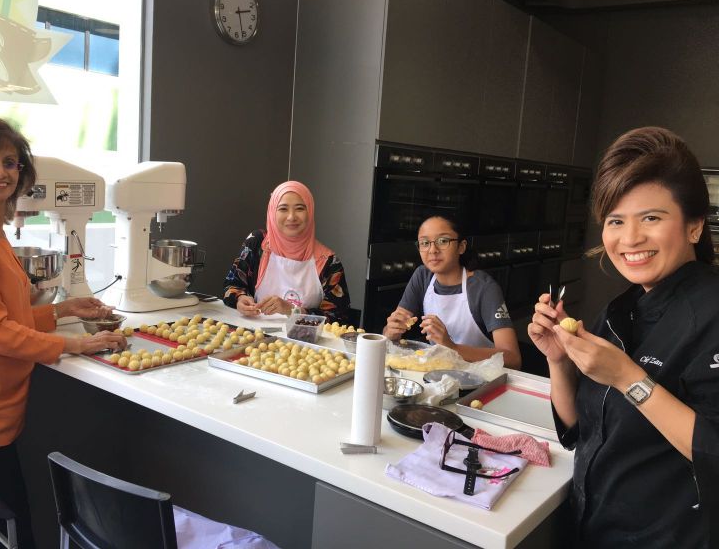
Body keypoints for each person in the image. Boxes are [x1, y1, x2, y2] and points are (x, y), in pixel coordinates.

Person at [0, 118, 127, 549]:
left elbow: (5, 315)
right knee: (10, 532)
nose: (1, 172)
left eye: (10, 162)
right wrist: (77, 343)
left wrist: (63, 310)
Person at [528, 127, 719, 548]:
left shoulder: (711, 313)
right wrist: (558, 360)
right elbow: (582, 429)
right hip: (595, 529)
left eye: (651, 217)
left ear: (693, 226)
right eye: (616, 221)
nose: (629, 238)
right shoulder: (622, 310)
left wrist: (628, 378)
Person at [383, 215, 521, 369]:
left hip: (481, 375)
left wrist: (452, 347)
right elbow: (396, 324)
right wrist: (390, 331)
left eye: (443, 241)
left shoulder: (484, 288)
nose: (432, 250)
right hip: (439, 372)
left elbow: (513, 358)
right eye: (425, 243)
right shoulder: (423, 276)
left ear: (461, 247)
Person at [223, 180, 351, 324]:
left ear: (310, 211)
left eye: (300, 208)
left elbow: (339, 319)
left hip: (305, 338)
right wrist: (240, 299)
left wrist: (292, 310)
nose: (291, 217)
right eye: (283, 209)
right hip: (255, 334)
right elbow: (232, 285)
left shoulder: (329, 262)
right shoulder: (257, 244)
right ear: (272, 212)